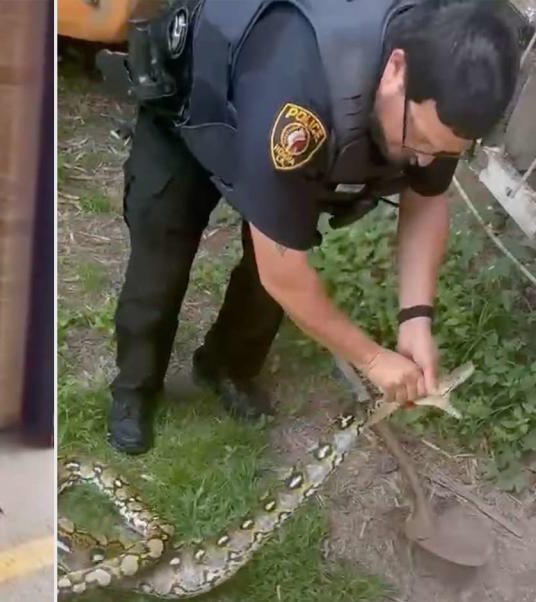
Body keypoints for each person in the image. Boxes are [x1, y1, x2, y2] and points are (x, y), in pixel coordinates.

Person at [104, 0, 522, 454]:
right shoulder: (300, 100)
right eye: (419, 138)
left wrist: (415, 319)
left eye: (441, 151)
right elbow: (285, 275)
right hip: (195, 109)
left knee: (266, 283)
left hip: (268, 127)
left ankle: (226, 366)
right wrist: (372, 359)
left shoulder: (439, 80)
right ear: (396, 69)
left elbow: (426, 197)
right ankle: (135, 389)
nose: (422, 159)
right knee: (159, 267)